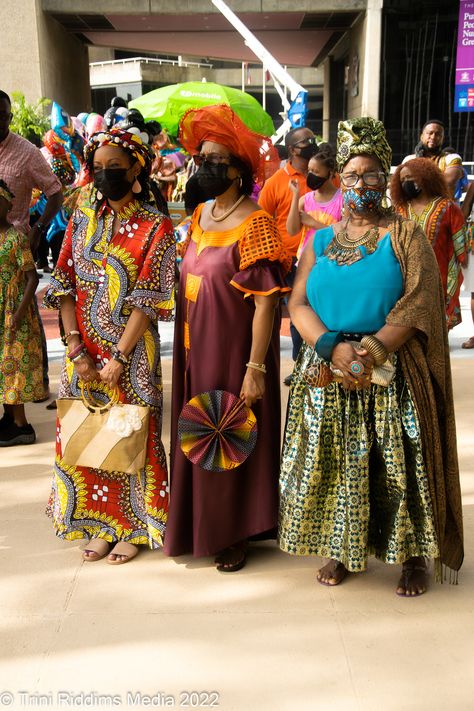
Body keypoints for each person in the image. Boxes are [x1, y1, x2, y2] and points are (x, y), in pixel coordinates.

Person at [279, 117, 463, 596]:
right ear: (341, 178)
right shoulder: (318, 240)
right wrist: (331, 348)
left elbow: (421, 300)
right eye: (353, 174)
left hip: (391, 367)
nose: (363, 183)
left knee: (400, 462)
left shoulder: (405, 235)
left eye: (373, 174)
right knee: (336, 461)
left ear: (388, 179)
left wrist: (371, 350)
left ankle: (414, 556)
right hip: (327, 366)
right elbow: (297, 302)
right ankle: (343, 548)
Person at [164, 104, 290, 572]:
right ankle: (200, 522)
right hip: (196, 346)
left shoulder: (256, 221)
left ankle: (237, 530)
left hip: (236, 350)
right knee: (200, 432)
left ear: (239, 170)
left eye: (217, 160)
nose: (205, 166)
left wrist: (255, 368)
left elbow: (266, 303)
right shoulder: (199, 213)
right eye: (202, 157)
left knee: (229, 432)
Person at [43, 128, 176, 565]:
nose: (104, 176)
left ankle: (133, 525)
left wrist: (120, 356)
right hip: (81, 352)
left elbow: (149, 295)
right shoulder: (83, 213)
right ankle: (97, 523)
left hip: (132, 352)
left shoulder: (156, 225)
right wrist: (75, 349)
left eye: (114, 169)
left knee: (130, 434)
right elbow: (62, 279)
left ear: (137, 168)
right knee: (87, 433)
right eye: (97, 169)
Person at [0, 89, 64, 401]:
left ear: (9, 118)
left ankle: (36, 384)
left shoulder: (26, 152)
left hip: (15, 246)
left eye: (2, 115)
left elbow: (55, 191)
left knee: (23, 318)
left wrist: (39, 227)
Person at [259, 127, 318, 383]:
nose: (312, 144)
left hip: (323, 257)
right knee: (297, 315)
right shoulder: (276, 182)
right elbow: (261, 219)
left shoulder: (326, 176)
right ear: (293, 149)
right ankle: (300, 364)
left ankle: (321, 364)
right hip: (290, 260)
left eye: (314, 139)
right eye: (307, 141)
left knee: (321, 312)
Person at [391, 158, 468, 330]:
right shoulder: (400, 209)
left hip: (440, 278)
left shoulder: (447, 207)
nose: (406, 183)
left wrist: (462, 262)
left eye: (410, 178)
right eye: (402, 180)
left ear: (425, 177)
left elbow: (459, 243)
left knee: (437, 330)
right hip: (405, 279)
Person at [0, 180, 45, 445]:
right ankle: (8, 417)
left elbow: (32, 278)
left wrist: (18, 313)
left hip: (13, 311)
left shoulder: (16, 238)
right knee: (4, 366)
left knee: (15, 364)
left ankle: (21, 424)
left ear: (8, 205)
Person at [286, 150, 343, 259]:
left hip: (331, 261)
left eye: (316, 171)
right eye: (309, 171)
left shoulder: (342, 200)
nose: (311, 175)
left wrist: (312, 222)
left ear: (330, 174)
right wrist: (295, 195)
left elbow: (343, 237)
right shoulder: (305, 200)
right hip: (306, 261)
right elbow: (292, 230)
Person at [403, 120, 463, 198]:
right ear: (422, 136)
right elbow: (401, 184)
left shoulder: (452, 158)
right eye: (430, 133)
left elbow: (447, 181)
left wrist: (415, 180)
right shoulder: (409, 159)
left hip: (444, 208)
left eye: (438, 134)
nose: (433, 137)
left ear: (442, 138)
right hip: (413, 208)